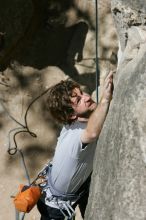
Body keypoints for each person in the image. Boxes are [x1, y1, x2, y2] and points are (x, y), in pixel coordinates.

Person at [37, 71, 113, 220]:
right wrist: (105, 100)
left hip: (74, 189)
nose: (87, 97)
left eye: (82, 93)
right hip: (56, 208)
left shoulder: (74, 122)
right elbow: (91, 133)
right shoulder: (75, 135)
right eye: (78, 100)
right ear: (72, 115)